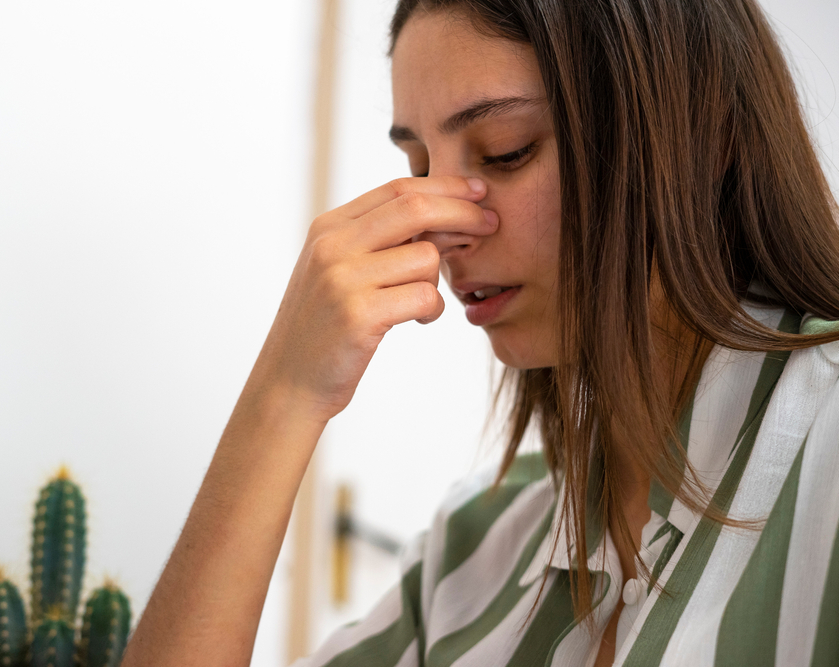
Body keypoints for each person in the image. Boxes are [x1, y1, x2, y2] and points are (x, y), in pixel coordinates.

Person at [121, 0, 839, 665]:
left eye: (505, 150)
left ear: (700, 133)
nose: (436, 224)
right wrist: (283, 396)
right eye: (417, 166)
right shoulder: (468, 557)